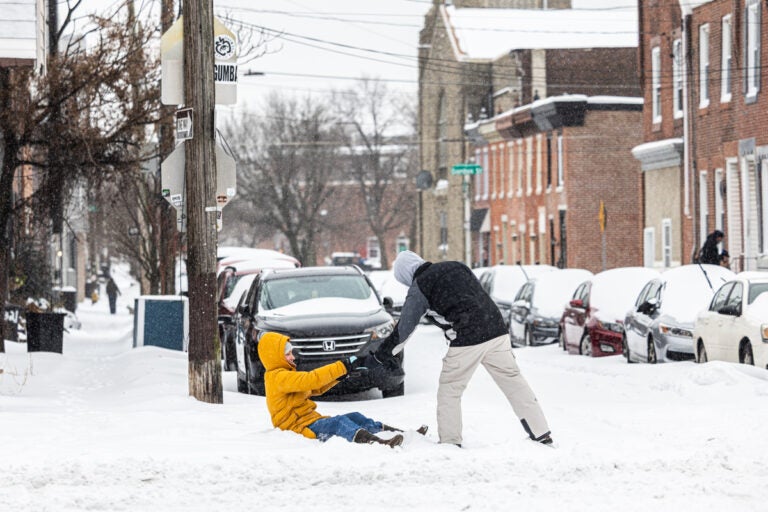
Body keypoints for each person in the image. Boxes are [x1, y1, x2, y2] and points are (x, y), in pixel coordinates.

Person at [372, 250, 552, 447]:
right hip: (496, 329)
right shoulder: (457, 266)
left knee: (450, 389)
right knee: (514, 382)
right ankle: (541, 432)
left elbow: (404, 328)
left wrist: (384, 353)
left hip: (468, 337)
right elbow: (474, 297)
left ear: (405, 274)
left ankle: (450, 442)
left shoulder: (420, 286)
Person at [257, 331, 426, 448]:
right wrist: (344, 365)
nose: (292, 356)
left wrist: (342, 375)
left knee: (355, 417)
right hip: (299, 428)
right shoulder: (277, 377)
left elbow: (315, 389)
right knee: (338, 423)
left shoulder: (286, 376)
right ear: (275, 356)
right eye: (287, 354)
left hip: (311, 421)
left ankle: (403, 435)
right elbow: (311, 380)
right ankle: (377, 443)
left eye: (291, 352)